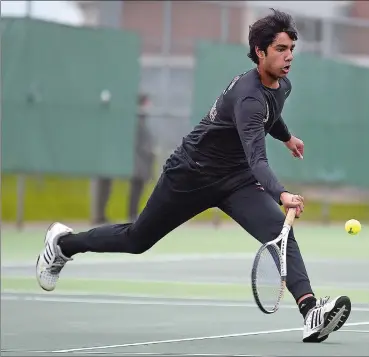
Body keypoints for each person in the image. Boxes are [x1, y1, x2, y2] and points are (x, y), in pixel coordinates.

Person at [36, 9, 351, 343]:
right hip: (190, 175)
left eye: (291, 49)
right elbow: (257, 156)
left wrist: (286, 138)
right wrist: (281, 193)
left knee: (278, 231)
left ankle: (310, 311)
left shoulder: (280, 85)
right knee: (136, 240)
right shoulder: (248, 98)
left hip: (236, 180)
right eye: (280, 49)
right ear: (260, 51)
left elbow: (270, 117)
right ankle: (63, 244)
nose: (289, 57)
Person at [93, 93, 155, 224]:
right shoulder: (129, 120)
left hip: (138, 160)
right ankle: (101, 216)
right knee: (107, 183)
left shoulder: (141, 120)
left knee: (137, 185)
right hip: (132, 159)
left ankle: (131, 215)